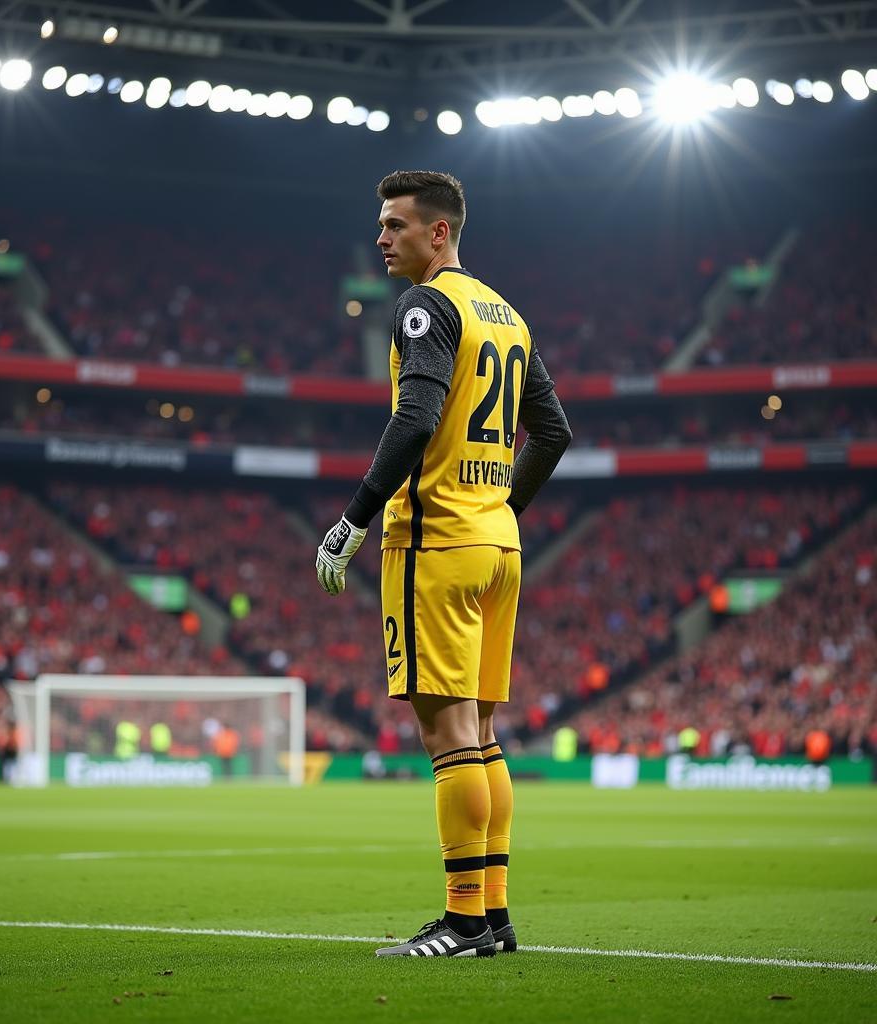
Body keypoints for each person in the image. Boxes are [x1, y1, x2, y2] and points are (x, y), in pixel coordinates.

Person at [316, 170, 572, 958]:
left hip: (437, 545)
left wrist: (354, 519)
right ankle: (493, 920)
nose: (382, 238)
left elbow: (416, 417)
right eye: (381, 224)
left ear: (440, 233)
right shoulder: (508, 316)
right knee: (483, 736)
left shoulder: (429, 305)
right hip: (498, 548)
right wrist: (501, 512)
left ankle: (462, 922)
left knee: (450, 738)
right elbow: (553, 432)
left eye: (395, 225)